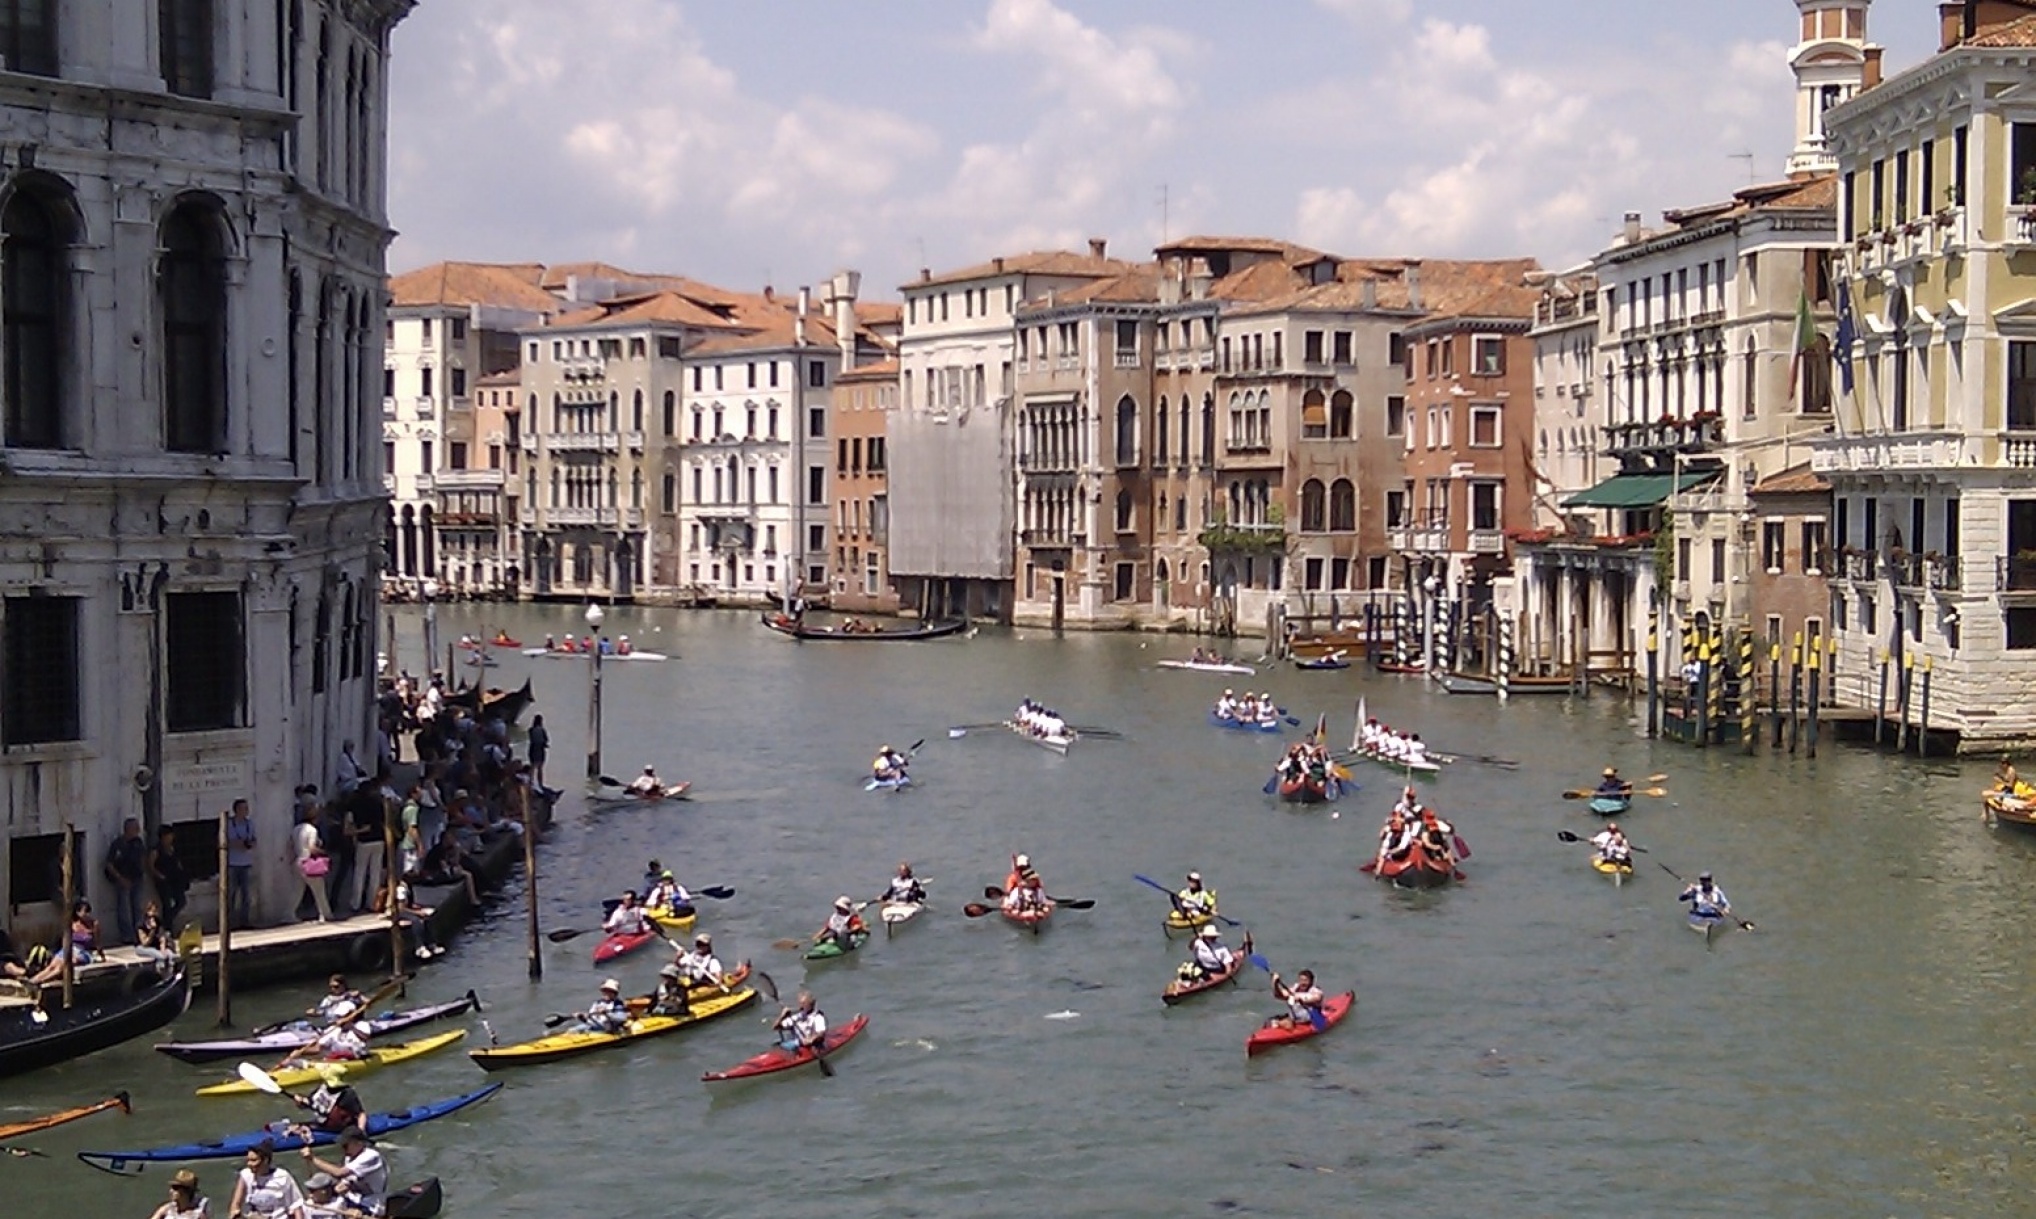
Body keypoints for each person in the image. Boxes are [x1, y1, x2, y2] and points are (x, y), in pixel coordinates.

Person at [300, 1128, 386, 1218]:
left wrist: (312, 1158)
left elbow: (339, 1172)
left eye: (345, 1145)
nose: (343, 1148)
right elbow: (342, 1181)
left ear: (359, 1143)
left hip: (370, 1205)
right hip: (351, 1200)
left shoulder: (371, 1156)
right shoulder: (349, 1158)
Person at [29, 899, 98, 985]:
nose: (87, 914)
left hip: (83, 952)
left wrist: (101, 955)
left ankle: (41, 982)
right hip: (70, 948)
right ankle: (33, 981)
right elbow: (65, 939)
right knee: (52, 965)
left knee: (62, 966)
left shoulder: (93, 924)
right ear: (78, 912)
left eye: (88, 911)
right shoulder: (73, 925)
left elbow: (97, 942)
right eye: (84, 911)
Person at [229, 1141, 305, 1219]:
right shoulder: (246, 1175)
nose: (249, 1164)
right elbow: (235, 1205)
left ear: (265, 1160)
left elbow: (296, 1205)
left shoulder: (282, 1176)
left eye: (253, 1160)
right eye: (248, 1160)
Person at [102, 816, 147, 944]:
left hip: (137, 878)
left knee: (137, 907)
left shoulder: (138, 842)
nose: (138, 830)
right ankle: (127, 936)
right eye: (135, 827)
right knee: (124, 909)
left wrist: (142, 871)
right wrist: (120, 878)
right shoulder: (118, 844)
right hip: (123, 879)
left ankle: (139, 933)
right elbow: (109, 864)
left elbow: (142, 856)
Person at [288, 1076, 366, 1138]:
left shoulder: (347, 1094)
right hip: (322, 1123)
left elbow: (361, 1114)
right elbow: (309, 1103)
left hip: (339, 1127)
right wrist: (300, 1101)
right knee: (293, 1128)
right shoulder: (323, 1087)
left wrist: (359, 1132)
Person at [293, 805, 333, 923]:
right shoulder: (312, 830)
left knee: (297, 890)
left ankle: (289, 913)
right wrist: (324, 852)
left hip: (298, 861)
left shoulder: (296, 829)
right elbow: (312, 848)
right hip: (310, 862)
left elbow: (290, 844)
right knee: (319, 891)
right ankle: (325, 914)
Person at [149, 824, 191, 934]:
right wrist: (159, 876)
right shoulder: (156, 850)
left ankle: (167, 921)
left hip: (175, 880)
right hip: (163, 881)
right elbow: (150, 865)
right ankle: (167, 927)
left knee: (181, 901)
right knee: (166, 904)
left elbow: (177, 863)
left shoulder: (172, 848)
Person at [526, 714, 550, 789]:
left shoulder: (531, 730)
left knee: (532, 766)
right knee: (540, 768)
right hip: (540, 750)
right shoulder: (542, 730)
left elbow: (531, 739)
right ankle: (540, 784)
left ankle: (530, 783)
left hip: (532, 749)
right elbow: (546, 740)